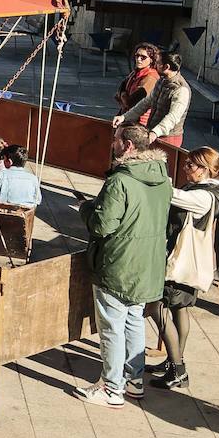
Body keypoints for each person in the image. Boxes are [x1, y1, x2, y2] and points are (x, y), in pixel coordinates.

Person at [74, 124, 172, 408]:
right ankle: (134, 380)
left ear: (128, 146)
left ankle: (111, 388)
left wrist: (86, 208)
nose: (112, 144)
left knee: (112, 327)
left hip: (118, 263)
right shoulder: (163, 179)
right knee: (134, 322)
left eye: (116, 140)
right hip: (148, 263)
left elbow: (102, 225)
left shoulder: (120, 181)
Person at [146, 146, 219, 391]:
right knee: (180, 310)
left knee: (155, 306)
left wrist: (151, 178)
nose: (185, 167)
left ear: (205, 170)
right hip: (187, 263)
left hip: (179, 262)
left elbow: (173, 196)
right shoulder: (209, 190)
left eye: (190, 165)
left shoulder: (204, 196)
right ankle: (172, 361)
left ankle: (177, 369)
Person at [113, 51, 191, 147]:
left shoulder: (181, 89)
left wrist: (155, 132)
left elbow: (173, 117)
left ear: (166, 67)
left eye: (158, 63)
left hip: (168, 138)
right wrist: (124, 117)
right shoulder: (161, 81)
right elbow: (146, 102)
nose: (155, 66)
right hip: (152, 134)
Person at [116, 43, 161, 126]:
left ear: (151, 59)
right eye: (137, 56)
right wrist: (123, 95)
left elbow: (133, 102)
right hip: (127, 116)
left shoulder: (151, 77)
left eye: (143, 57)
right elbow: (119, 90)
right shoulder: (135, 73)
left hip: (139, 122)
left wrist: (123, 96)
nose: (138, 59)